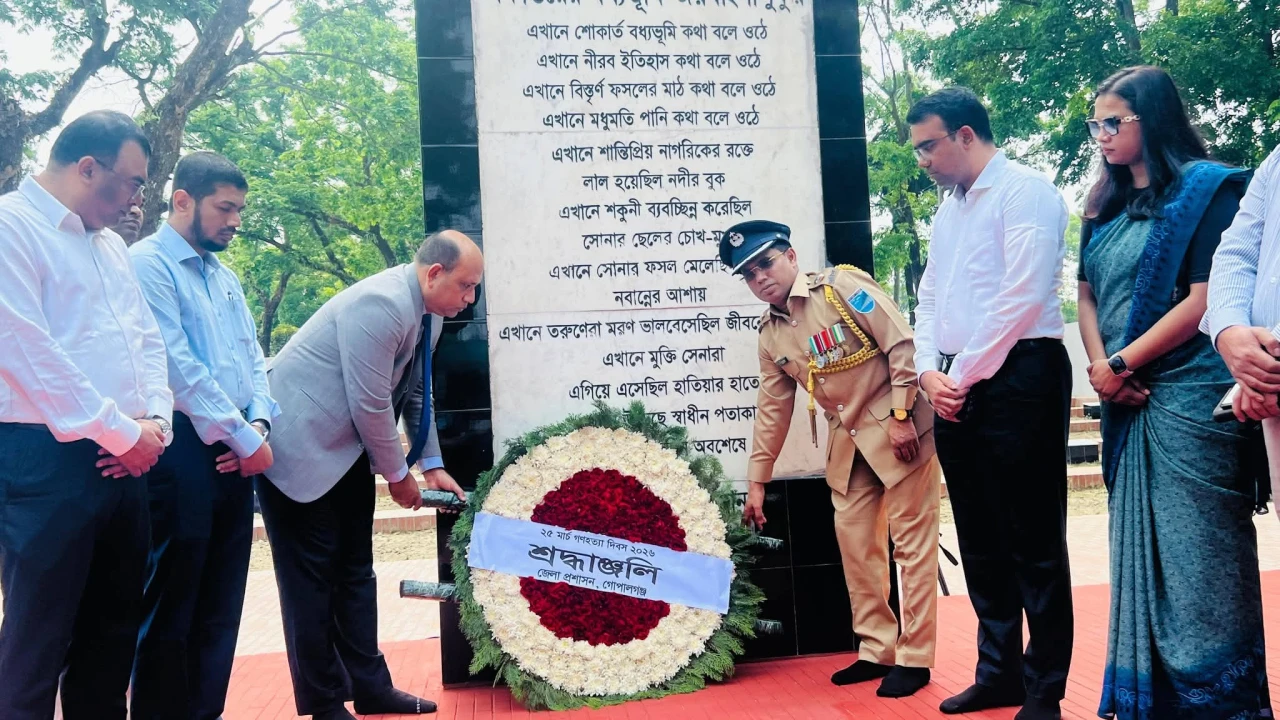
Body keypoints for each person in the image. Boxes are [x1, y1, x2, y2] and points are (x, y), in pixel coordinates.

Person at [1077, 66, 1271, 719]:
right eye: (1094, 124)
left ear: (1151, 120)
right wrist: (1105, 368)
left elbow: (1207, 296)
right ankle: (1151, 705)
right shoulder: (1101, 204)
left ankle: (1224, 706)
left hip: (1191, 396)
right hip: (1126, 399)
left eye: (1112, 122)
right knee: (1138, 553)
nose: (1100, 135)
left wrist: (1124, 361)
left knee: (1201, 557)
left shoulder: (1210, 191)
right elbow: (1085, 292)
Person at [258, 230, 480, 719]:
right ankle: (324, 702)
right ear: (434, 273)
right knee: (310, 583)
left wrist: (432, 465)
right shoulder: (380, 304)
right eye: (465, 286)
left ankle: (371, 688)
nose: (470, 299)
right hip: (297, 449)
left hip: (344, 449)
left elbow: (418, 395)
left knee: (356, 574)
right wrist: (397, 475)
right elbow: (370, 401)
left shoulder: (430, 316)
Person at [907, 87, 1073, 720]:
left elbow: (1022, 296)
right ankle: (998, 672)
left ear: (967, 134)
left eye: (929, 144)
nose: (921, 158)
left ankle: (1044, 688)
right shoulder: (948, 211)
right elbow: (929, 299)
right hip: (954, 383)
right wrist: (928, 372)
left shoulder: (1025, 191)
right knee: (979, 537)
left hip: (1020, 374)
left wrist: (964, 374)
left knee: (1034, 536)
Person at [0, 110, 173, 718]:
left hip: (127, 459)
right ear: (87, 167)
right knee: (36, 643)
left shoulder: (110, 248)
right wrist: (121, 432)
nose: (135, 198)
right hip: (45, 462)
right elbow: (23, 349)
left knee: (111, 637)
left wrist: (155, 422)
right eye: (130, 182)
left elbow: (146, 342)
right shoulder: (10, 227)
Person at [728, 220, 942, 698]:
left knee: (911, 548)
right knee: (857, 548)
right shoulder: (770, 336)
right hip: (848, 446)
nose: (760, 277)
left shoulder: (841, 288)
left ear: (791, 257)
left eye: (766, 263)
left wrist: (906, 412)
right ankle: (877, 648)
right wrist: (758, 479)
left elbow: (900, 342)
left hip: (897, 431)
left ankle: (915, 657)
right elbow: (772, 410)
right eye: (749, 273)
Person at [128, 151, 279, 719]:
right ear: (183, 200)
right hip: (184, 450)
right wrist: (247, 440)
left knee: (221, 601)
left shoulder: (226, 277)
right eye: (225, 208)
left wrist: (259, 425)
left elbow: (254, 362)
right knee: (173, 602)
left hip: (240, 450)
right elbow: (178, 368)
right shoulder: (148, 265)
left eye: (239, 209)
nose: (235, 221)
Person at [1203, 143, 1280, 468]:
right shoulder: (1277, 159)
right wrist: (1230, 330)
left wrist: (1268, 364)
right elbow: (1237, 250)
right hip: (1269, 395)